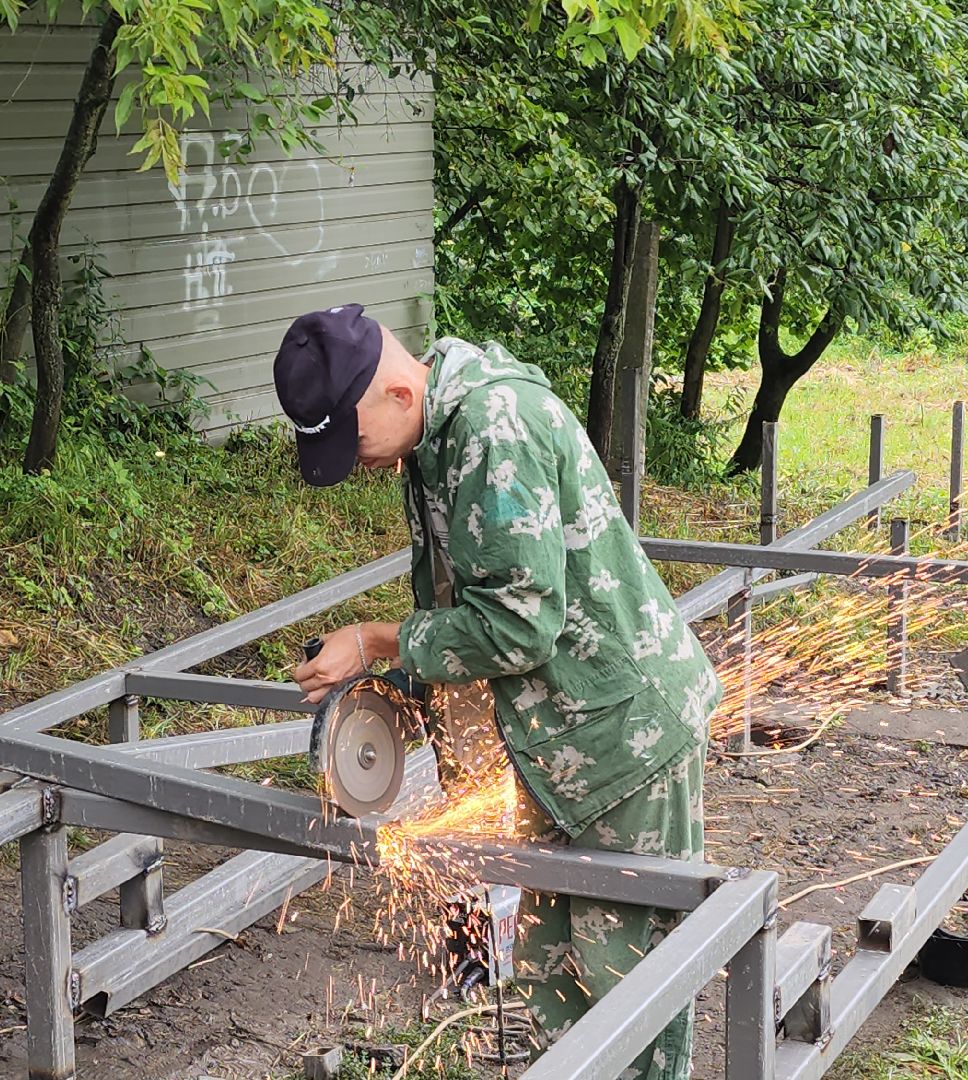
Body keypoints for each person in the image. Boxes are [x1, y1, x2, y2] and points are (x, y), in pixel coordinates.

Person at [278, 306, 718, 1079]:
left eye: (357, 443)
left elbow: (518, 629)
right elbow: (461, 606)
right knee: (555, 983)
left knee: (629, 986)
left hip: (623, 741)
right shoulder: (433, 438)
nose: (361, 464)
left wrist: (376, 640)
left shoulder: (492, 429)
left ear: (399, 397)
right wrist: (398, 696)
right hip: (552, 742)